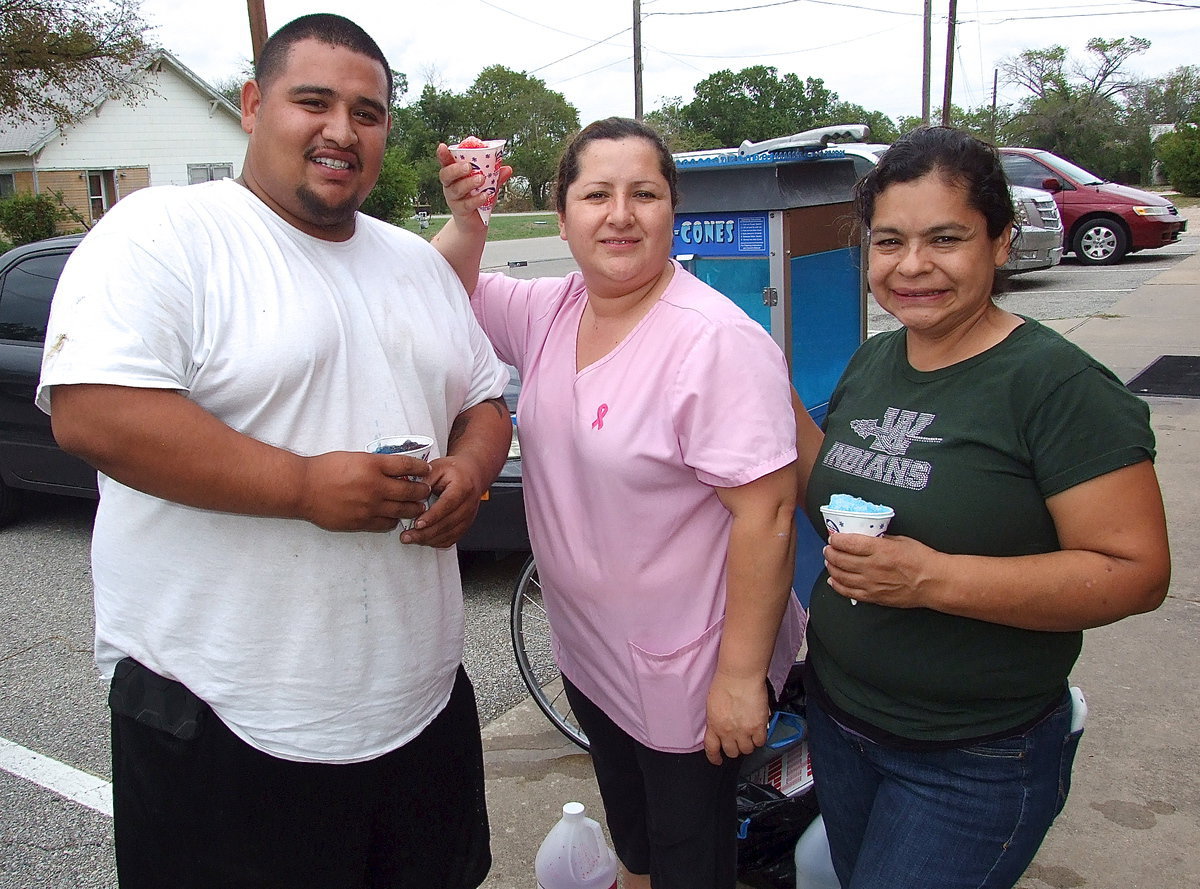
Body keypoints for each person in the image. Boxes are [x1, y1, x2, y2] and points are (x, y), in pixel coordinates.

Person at [36, 14, 511, 889]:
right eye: (313, 101)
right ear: (254, 105)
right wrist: (300, 485)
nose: (341, 129)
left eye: (366, 113)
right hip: (222, 719)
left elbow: (483, 401)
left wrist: (471, 471)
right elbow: (92, 412)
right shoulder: (163, 233)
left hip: (418, 707)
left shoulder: (412, 262)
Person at [432, 117, 823, 889]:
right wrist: (466, 218)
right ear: (562, 213)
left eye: (644, 193)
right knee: (638, 839)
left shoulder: (712, 340)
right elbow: (445, 287)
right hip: (591, 651)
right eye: (596, 194)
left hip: (692, 669)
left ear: (672, 209)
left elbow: (769, 514)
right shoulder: (555, 307)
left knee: (691, 858)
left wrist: (741, 678)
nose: (620, 214)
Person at [801, 126, 1172, 889]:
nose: (912, 266)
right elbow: (834, 499)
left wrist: (933, 579)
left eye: (946, 238)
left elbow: (1136, 573)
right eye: (889, 241)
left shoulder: (1056, 386)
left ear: (1001, 242)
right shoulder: (876, 360)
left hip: (972, 757)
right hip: (841, 723)